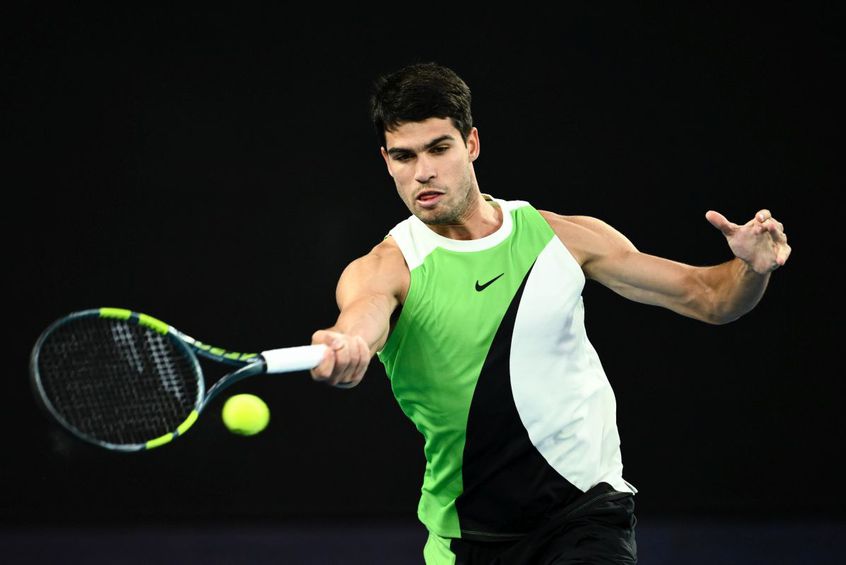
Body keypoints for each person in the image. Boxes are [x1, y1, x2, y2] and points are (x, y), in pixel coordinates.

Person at [308, 61, 791, 565]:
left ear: (471, 144)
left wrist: (751, 268)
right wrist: (349, 346)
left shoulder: (560, 237)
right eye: (404, 157)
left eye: (439, 148)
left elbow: (710, 298)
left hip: (584, 515)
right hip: (467, 538)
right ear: (386, 161)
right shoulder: (387, 267)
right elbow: (360, 320)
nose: (423, 172)